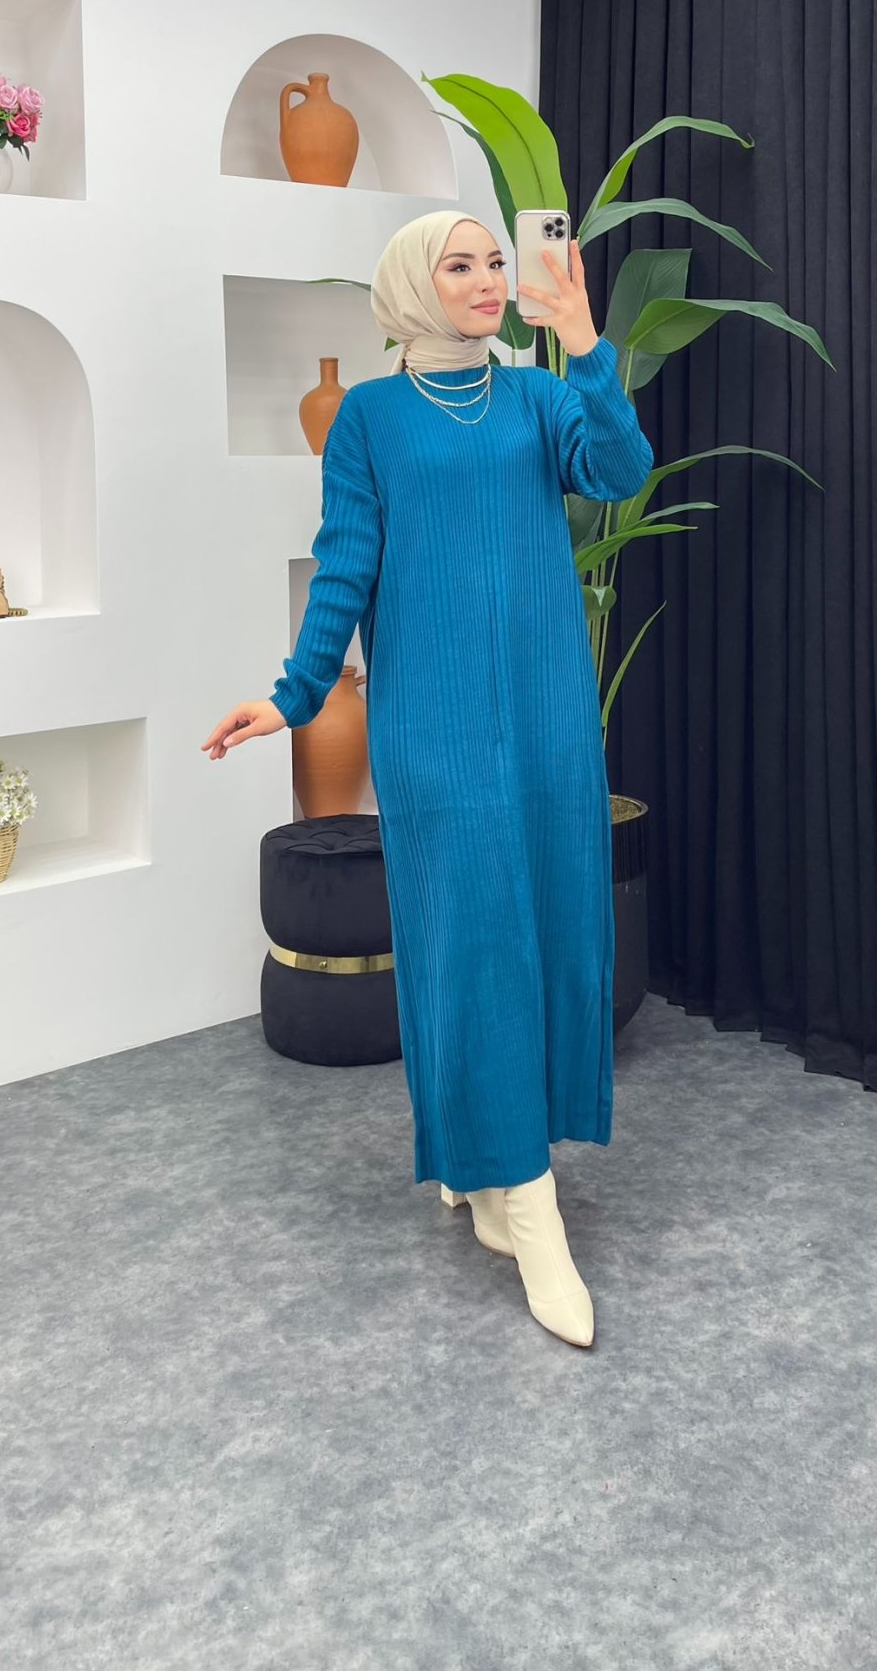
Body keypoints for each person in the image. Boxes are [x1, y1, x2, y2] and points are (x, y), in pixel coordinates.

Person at [201, 210, 654, 1348]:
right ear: (413, 285)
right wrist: (293, 694)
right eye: (461, 265)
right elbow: (344, 565)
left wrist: (584, 342)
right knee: (471, 939)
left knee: (549, 925)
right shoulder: (369, 418)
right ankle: (529, 1202)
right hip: (435, 727)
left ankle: (485, 1163)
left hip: (547, 715)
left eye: (496, 260)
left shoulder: (539, 397)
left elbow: (620, 470)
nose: (488, 279)